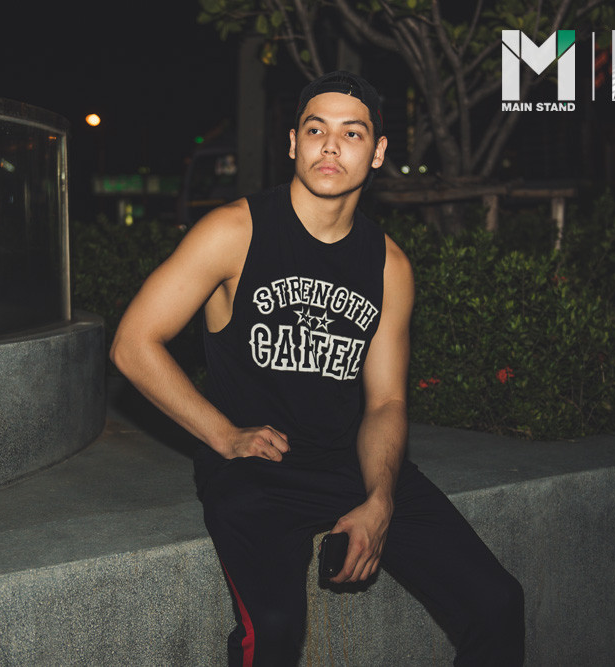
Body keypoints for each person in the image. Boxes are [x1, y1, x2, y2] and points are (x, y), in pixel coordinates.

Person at [110, 71, 524, 666]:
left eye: (352, 133)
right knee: (273, 632)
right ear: (293, 143)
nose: (331, 145)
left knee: (497, 604)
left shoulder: (388, 266)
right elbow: (133, 343)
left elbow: (386, 402)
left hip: (348, 461)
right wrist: (224, 435)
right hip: (257, 470)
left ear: (377, 151)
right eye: (315, 129)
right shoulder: (234, 232)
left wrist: (380, 498)